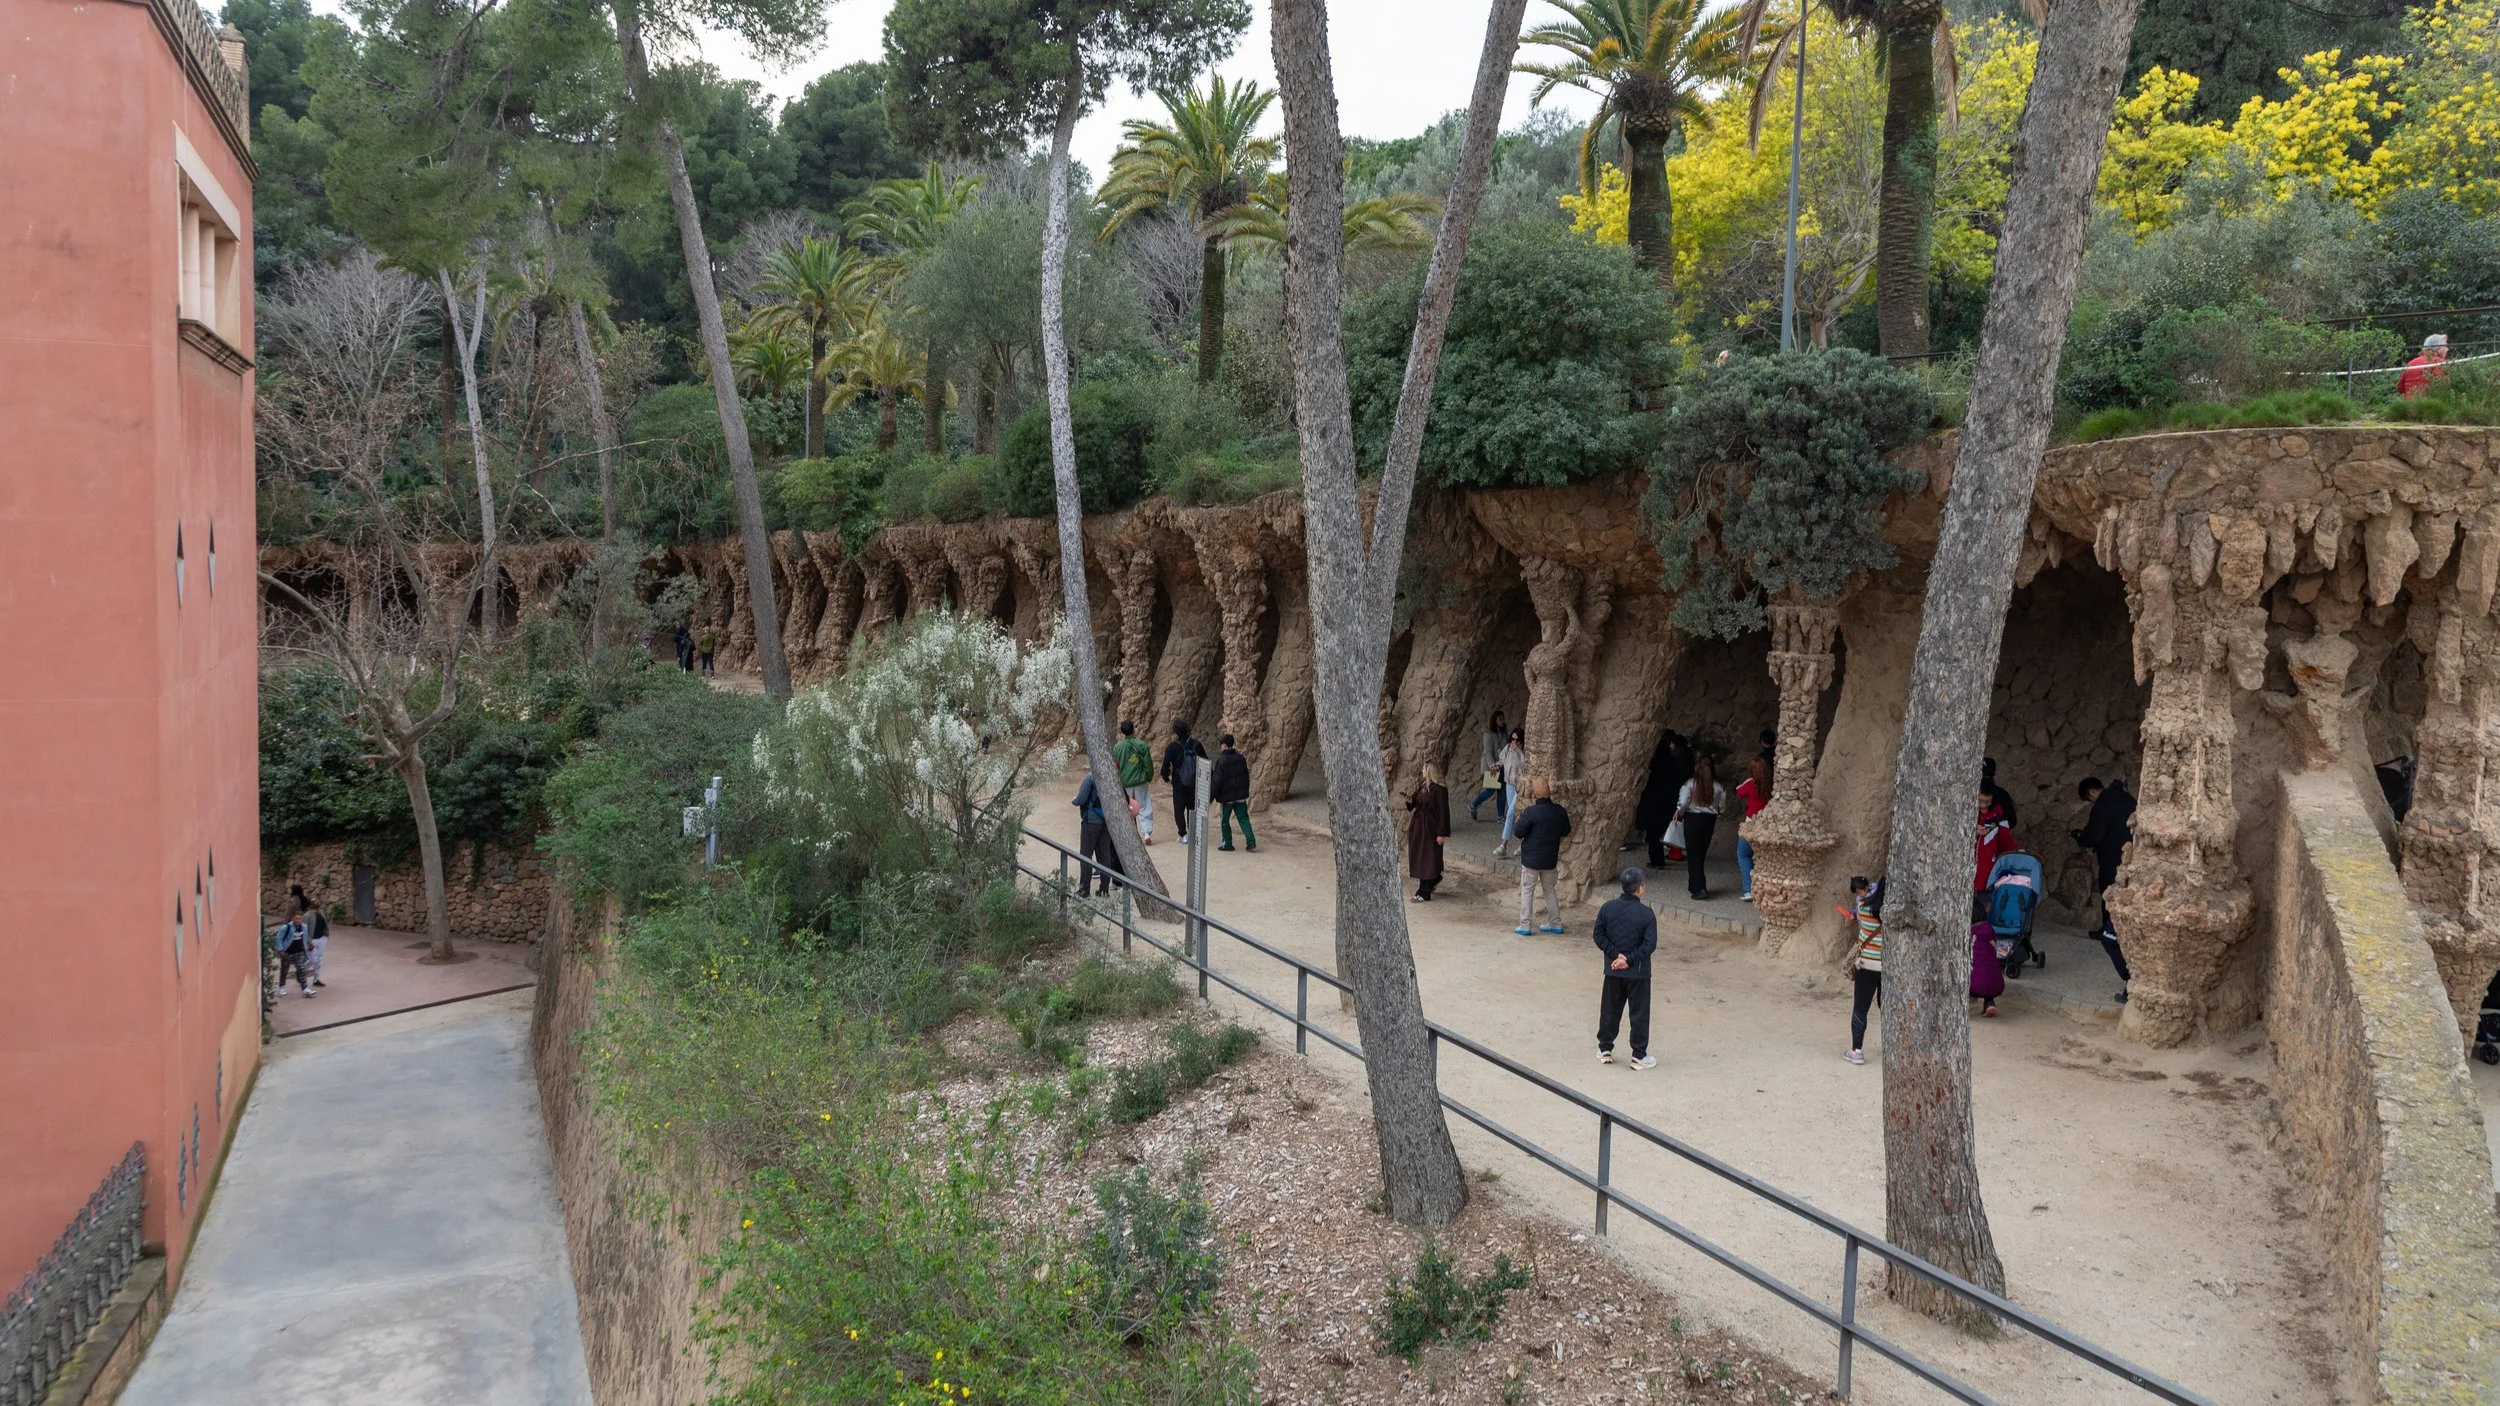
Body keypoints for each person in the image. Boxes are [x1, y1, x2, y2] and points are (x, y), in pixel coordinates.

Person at [1593, 867, 1659, 1070]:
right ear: (1639, 888)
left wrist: (1616, 956)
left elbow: (1598, 935)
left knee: (1610, 1009)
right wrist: (1629, 959)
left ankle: (1605, 1048)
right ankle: (1639, 1055)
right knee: (1639, 1013)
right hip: (1638, 973)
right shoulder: (1646, 914)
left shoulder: (1607, 908)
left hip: (1613, 970)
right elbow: (1649, 945)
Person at [1511, 778, 1572, 936]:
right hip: (1550, 858)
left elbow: (1518, 832)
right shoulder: (1559, 811)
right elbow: (1566, 831)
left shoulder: (1531, 812)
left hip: (1531, 859)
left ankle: (1525, 925)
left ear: (1534, 793)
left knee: (1527, 891)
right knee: (1550, 890)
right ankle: (1555, 923)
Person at [1671, 754, 1728, 900]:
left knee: (1693, 854)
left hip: (1692, 818)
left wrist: (1679, 814)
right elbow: (1722, 806)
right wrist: (1718, 814)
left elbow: (1683, 803)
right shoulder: (1718, 786)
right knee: (1701, 853)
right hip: (1709, 820)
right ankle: (1695, 884)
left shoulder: (1690, 784)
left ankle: (1698, 887)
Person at [1844, 877, 1883, 1064]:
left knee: (1860, 1008)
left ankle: (1856, 1050)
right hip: (1888, 966)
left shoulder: (1862, 907)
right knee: (1888, 1008)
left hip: (1867, 963)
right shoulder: (1889, 913)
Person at [1072, 771, 1123, 897]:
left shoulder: (1090, 777)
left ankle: (1084, 889)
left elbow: (1081, 799)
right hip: (1106, 821)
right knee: (1104, 855)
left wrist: (1074, 800)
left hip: (1091, 821)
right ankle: (1104, 889)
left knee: (1085, 855)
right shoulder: (1111, 775)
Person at [1634, 731, 1681, 868]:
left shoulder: (1655, 764)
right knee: (1659, 832)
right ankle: (1658, 859)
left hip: (1654, 802)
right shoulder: (1672, 763)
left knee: (1653, 834)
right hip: (1668, 801)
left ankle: (1657, 860)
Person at [1405, 764, 1451, 901]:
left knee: (1428, 858)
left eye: (1424, 769)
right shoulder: (1424, 786)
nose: (1422, 771)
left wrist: (1441, 833)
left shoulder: (1439, 790)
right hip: (1419, 829)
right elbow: (1415, 802)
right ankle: (1434, 879)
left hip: (1430, 829)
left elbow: (1443, 812)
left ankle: (1424, 891)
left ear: (1430, 771)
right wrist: (1409, 801)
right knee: (1421, 857)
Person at [1161, 720, 1207, 845]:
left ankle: (1183, 834)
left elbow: (1165, 766)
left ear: (1175, 731)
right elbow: (1205, 762)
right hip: (1194, 781)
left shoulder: (1172, 747)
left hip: (1178, 782)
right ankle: (1193, 832)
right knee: (1192, 807)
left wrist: (1166, 778)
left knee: (1179, 808)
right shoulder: (1196, 744)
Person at [1734, 755, 1771, 902]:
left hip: (1750, 824)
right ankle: (1764, 891)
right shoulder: (1770, 784)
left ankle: (1749, 890)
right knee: (1761, 858)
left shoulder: (1751, 783)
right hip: (1766, 825)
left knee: (1743, 855)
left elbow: (1738, 791)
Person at [1113, 720, 1156, 843]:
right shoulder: (1141, 745)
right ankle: (1146, 833)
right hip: (1140, 780)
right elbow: (1148, 763)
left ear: (1122, 732)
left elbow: (1116, 764)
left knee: (1127, 807)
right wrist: (1149, 776)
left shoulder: (1118, 747)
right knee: (1144, 806)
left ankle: (1129, 834)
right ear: (1133, 730)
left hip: (1125, 781)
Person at [1972, 790, 2015, 916]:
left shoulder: (1997, 814)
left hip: (1987, 868)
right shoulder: (1969, 811)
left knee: (1983, 905)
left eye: (1987, 802)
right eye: (1981, 801)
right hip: (1971, 865)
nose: (1984, 805)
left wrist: (2011, 854)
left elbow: (2005, 838)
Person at [1211, 734, 1255, 852]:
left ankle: (1227, 843)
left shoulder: (1222, 760)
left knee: (1225, 820)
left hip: (1227, 797)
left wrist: (1211, 796)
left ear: (1224, 745)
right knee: (1244, 818)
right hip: (1240, 795)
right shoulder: (1241, 758)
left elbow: (1217, 781)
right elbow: (1245, 776)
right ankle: (1251, 842)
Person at [1493, 728, 1528, 858]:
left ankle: (1503, 845)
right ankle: (1523, 843)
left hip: (1519, 785)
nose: (1514, 742)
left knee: (1511, 812)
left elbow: (1525, 764)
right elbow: (1503, 760)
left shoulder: (1522, 751)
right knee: (1514, 815)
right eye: (1512, 739)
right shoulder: (1507, 748)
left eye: (1516, 740)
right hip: (1509, 785)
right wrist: (1496, 765)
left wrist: (1518, 749)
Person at [1469, 710, 1509, 822]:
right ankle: (1473, 805)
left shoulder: (1503, 732)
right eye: (1500, 719)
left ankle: (1500, 816)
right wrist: (1493, 766)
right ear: (1494, 720)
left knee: (1502, 790)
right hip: (1491, 766)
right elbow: (1488, 752)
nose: (1502, 721)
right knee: (1490, 790)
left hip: (1502, 765)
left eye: (1503, 719)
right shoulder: (1488, 734)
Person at [274, 907, 314, 998]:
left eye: (300, 918)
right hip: (287, 953)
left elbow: (305, 937)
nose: (298, 920)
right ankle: (281, 987)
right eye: (296, 918)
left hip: (299, 952)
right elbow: (278, 938)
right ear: (292, 918)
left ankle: (305, 989)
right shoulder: (286, 927)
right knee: (284, 971)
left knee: (302, 970)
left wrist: (308, 945)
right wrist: (280, 950)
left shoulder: (304, 927)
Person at [1970, 919, 2004, 1018]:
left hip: (1974, 986)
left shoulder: (1970, 936)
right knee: (1987, 973)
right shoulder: (1990, 933)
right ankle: (1989, 1004)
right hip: (1997, 986)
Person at [2399, 332, 2450, 398]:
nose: (2447, 349)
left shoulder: (2410, 363)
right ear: (2438, 349)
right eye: (2445, 346)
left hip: (2409, 405)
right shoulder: (2440, 363)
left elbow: (2400, 388)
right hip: (2431, 405)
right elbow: (2443, 386)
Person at [303, 897, 331, 990]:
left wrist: (325, 936)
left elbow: (325, 924)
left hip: (321, 938)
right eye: (315, 901)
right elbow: (305, 929)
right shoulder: (307, 915)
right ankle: (301, 971)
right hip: (312, 940)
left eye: (318, 900)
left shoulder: (321, 913)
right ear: (310, 905)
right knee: (312, 960)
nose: (318, 902)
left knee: (319, 960)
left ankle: (316, 979)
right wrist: (308, 942)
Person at [1980, 757, 2018, 827]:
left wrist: (1990, 827)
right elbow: (2011, 821)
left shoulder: (2001, 795)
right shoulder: (2001, 794)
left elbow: (2011, 821)